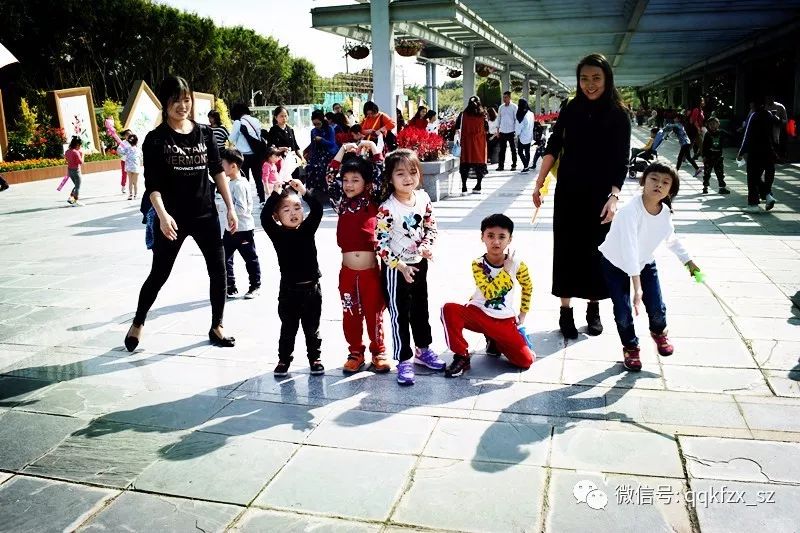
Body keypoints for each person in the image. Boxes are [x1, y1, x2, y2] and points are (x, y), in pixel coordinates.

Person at [124, 75, 238, 352]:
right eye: (176, 100)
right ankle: (138, 321)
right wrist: (163, 216)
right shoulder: (156, 139)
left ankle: (217, 325)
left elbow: (217, 171)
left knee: (218, 271)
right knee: (159, 273)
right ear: (165, 103)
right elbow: (153, 185)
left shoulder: (205, 133)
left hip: (205, 214)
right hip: (172, 218)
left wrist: (230, 207)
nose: (182, 106)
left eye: (186, 100)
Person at [532, 53, 631, 339]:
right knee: (566, 249)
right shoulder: (571, 108)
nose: (590, 84)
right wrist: (539, 182)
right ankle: (565, 311)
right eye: (584, 78)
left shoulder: (618, 114)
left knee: (596, 252)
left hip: (600, 195)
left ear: (607, 79)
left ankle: (593, 308)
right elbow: (554, 144)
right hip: (569, 191)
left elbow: (621, 160)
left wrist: (614, 196)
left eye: (596, 78)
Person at [599, 161, 699, 371]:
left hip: (644, 261)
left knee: (656, 305)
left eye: (665, 182)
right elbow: (629, 249)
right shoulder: (629, 211)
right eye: (654, 179)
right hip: (616, 262)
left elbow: (671, 239)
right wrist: (637, 287)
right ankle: (630, 347)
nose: (659, 185)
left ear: (671, 190)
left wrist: (688, 261)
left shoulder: (665, 212)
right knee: (623, 310)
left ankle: (659, 332)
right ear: (643, 181)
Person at [376, 149, 444, 385]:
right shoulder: (387, 208)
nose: (408, 178)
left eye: (413, 172)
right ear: (390, 178)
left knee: (420, 308)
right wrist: (400, 265)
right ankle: (404, 359)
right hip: (396, 270)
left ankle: (423, 350)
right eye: (400, 173)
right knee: (399, 314)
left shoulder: (423, 198)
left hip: (419, 265)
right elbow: (380, 244)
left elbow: (431, 227)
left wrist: (426, 246)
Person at [441, 213, 535, 378]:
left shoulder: (518, 264)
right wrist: (506, 271)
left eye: (502, 237)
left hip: (503, 319)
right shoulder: (478, 264)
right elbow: (489, 293)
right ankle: (461, 356)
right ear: (482, 237)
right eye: (490, 236)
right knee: (448, 309)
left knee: (525, 361)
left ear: (510, 239)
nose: (496, 242)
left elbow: (528, 286)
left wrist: (523, 313)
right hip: (479, 313)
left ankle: (495, 341)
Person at [326, 141, 390, 374]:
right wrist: (343, 150)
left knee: (374, 314)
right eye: (346, 180)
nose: (349, 185)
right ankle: (355, 352)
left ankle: (378, 352)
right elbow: (330, 176)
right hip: (347, 274)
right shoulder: (341, 203)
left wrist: (373, 148)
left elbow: (382, 175)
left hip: (370, 273)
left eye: (355, 180)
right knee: (350, 313)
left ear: (367, 183)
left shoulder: (374, 201)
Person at [261, 179, 325, 377]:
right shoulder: (277, 234)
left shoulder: (307, 229)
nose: (293, 213)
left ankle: (315, 358)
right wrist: (275, 194)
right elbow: (264, 218)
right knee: (288, 328)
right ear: (277, 216)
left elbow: (318, 210)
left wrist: (303, 191)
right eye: (286, 209)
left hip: (312, 290)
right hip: (289, 291)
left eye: (297, 207)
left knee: (312, 328)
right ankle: (283, 360)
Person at [218, 148, 261, 300]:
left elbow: (242, 209)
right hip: (229, 229)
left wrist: (224, 208)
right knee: (225, 259)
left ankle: (255, 286)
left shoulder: (239, 185)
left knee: (250, 259)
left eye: (223, 163)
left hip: (243, 229)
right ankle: (230, 287)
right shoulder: (230, 183)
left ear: (233, 166)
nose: (221, 166)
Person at [738, 97, 780, 213]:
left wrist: (741, 151)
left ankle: (753, 204)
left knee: (752, 178)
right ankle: (768, 195)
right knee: (759, 177)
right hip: (768, 150)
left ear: (753, 104)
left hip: (755, 151)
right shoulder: (769, 115)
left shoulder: (754, 115)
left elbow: (747, 135)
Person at [229, 103, 266, 204]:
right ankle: (262, 200)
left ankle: (246, 200)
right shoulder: (255, 120)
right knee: (258, 179)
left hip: (243, 156)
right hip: (256, 154)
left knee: (244, 180)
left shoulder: (238, 122)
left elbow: (231, 138)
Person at [455, 95, 489, 194]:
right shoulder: (483, 115)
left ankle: (464, 187)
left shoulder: (463, 115)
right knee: (479, 164)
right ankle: (478, 186)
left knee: (465, 164)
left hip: (466, 143)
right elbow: (487, 129)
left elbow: (457, 127)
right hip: (480, 144)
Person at [266, 106, 305, 182]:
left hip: (292, 161)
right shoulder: (273, 130)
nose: (284, 118)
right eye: (281, 116)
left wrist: (302, 157)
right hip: (279, 162)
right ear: (276, 117)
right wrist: (281, 149)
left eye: (285, 116)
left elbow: (295, 146)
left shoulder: (290, 130)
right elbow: (270, 148)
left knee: (295, 181)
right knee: (282, 183)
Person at [306, 109, 338, 195]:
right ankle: (311, 188)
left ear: (322, 121)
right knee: (310, 166)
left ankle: (324, 189)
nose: (316, 126)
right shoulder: (313, 131)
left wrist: (322, 140)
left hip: (329, 152)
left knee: (321, 166)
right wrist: (310, 156)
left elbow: (332, 144)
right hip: (318, 153)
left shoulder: (330, 129)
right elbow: (313, 146)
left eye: (318, 124)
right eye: (314, 124)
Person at [701, 117, 731, 195]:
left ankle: (722, 188)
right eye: (710, 124)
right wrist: (704, 156)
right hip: (709, 158)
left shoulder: (721, 132)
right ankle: (705, 187)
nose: (712, 126)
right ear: (708, 125)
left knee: (720, 173)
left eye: (714, 124)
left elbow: (730, 136)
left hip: (718, 157)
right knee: (707, 173)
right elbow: (704, 146)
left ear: (718, 124)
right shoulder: (707, 134)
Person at [496, 91, 518, 171]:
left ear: (509, 98)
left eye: (506, 97)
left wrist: (516, 131)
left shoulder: (514, 107)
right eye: (503, 97)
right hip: (502, 131)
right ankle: (500, 166)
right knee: (502, 150)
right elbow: (498, 119)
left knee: (513, 149)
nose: (504, 99)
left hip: (511, 131)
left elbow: (516, 120)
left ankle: (514, 165)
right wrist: (497, 131)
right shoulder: (501, 107)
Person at [119, 134, 142, 200]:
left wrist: (120, 145)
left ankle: (130, 195)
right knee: (135, 183)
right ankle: (135, 195)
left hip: (129, 167)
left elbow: (120, 151)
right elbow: (141, 158)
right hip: (136, 167)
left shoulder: (127, 149)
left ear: (129, 142)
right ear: (136, 141)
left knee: (130, 182)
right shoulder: (139, 150)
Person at [515, 98, 535, 173]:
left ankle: (526, 166)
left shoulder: (521, 115)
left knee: (520, 152)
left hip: (522, 136)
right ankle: (526, 166)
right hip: (529, 135)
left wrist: (516, 134)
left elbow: (519, 127)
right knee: (527, 151)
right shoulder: (531, 113)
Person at [64, 137, 84, 206]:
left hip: (70, 171)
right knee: (78, 187)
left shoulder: (67, 152)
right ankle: (76, 201)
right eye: (80, 145)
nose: (80, 147)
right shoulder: (76, 152)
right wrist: (82, 155)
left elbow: (67, 160)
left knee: (76, 185)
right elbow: (81, 162)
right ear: (77, 145)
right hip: (76, 171)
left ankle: (71, 198)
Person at [117, 129, 131, 194]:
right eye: (127, 134)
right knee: (124, 174)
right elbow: (118, 150)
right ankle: (123, 186)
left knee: (132, 174)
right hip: (124, 161)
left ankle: (132, 187)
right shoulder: (123, 142)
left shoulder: (133, 141)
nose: (129, 135)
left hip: (131, 161)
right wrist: (124, 152)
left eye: (130, 134)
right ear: (125, 136)